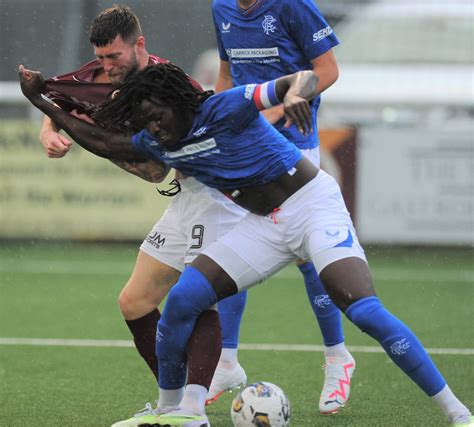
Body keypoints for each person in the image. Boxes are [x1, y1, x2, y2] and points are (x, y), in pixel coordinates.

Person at [19, 63, 473, 427]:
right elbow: (103, 141)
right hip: (265, 224)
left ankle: (457, 413)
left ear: (177, 101)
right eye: (144, 123)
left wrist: (296, 94)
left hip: (312, 205)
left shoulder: (226, 106)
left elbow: (301, 78)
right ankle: (177, 412)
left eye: (156, 116)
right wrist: (42, 101)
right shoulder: (155, 138)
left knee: (361, 307)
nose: (153, 129)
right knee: (183, 301)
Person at [34, 5, 247, 424]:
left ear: (140, 46)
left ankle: (192, 411)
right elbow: (59, 97)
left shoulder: (170, 81)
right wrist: (48, 131)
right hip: (185, 198)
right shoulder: (98, 74)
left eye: (115, 57)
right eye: (101, 57)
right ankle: (172, 408)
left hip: (215, 194)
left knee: (195, 299)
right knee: (134, 302)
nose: (107, 67)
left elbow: (208, 126)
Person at [209, 0, 353, 412]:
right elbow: (225, 74)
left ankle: (337, 358)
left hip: (294, 148)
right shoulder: (220, 7)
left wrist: (276, 106)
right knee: (227, 248)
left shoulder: (292, 5)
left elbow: (328, 69)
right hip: (245, 148)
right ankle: (227, 360)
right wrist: (215, 124)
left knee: (310, 259)